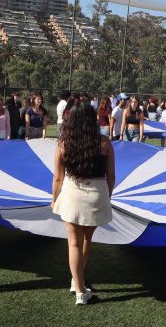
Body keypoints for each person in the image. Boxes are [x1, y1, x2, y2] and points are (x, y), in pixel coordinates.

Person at [51, 103, 115, 305]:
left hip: (72, 193)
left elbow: (58, 178)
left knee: (74, 243)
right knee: (87, 240)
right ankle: (77, 281)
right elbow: (111, 176)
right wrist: (106, 196)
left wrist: (54, 199)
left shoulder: (63, 144)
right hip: (98, 193)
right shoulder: (104, 143)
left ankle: (79, 289)